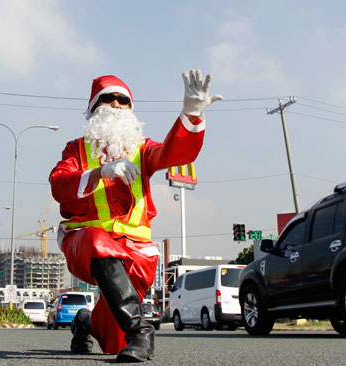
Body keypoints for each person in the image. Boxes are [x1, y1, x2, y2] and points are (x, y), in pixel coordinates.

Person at [49, 69, 222, 362]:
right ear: (93, 108)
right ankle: (141, 331)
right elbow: (59, 184)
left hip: (134, 250)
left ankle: (85, 322)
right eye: (108, 99)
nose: (116, 104)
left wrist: (191, 115)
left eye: (123, 100)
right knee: (96, 241)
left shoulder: (142, 149)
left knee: (112, 337)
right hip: (83, 241)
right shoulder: (76, 149)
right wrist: (99, 172)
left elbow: (172, 153)